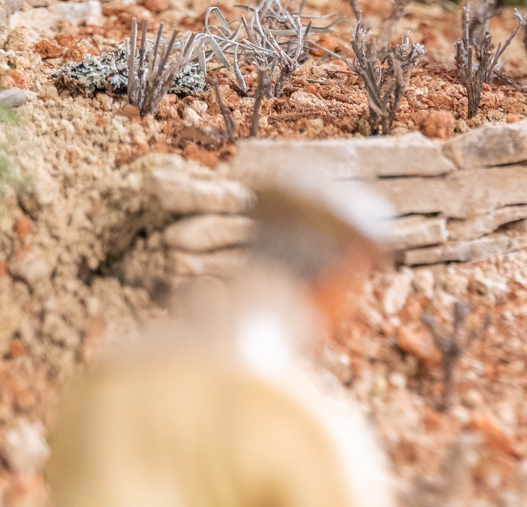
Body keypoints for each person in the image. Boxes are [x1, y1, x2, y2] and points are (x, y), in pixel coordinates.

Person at [44, 180, 395, 507]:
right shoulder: (300, 429)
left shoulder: (112, 376)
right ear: (334, 277)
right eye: (355, 279)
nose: (357, 307)